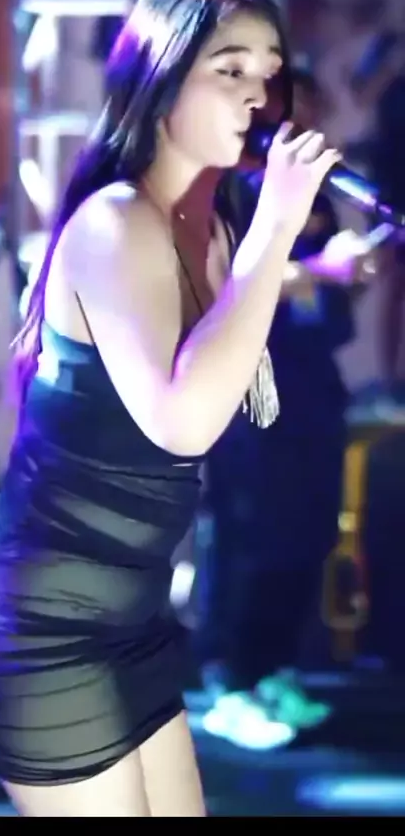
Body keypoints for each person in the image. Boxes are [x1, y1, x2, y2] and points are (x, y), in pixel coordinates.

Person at [0, 0, 340, 818]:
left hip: (127, 621)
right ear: (162, 77)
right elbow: (181, 423)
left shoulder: (213, 232)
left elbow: (231, 395)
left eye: (269, 72)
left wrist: (275, 248)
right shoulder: (115, 224)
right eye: (230, 69)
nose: (260, 96)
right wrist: (274, 233)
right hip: (37, 628)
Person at [197, 67, 373, 749]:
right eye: (302, 116)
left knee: (307, 531)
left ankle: (274, 670)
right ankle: (229, 682)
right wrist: (323, 271)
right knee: (251, 536)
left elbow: (316, 294)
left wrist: (349, 276)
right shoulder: (231, 187)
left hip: (310, 383)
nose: (316, 131)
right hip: (251, 386)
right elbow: (231, 286)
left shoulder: (318, 195)